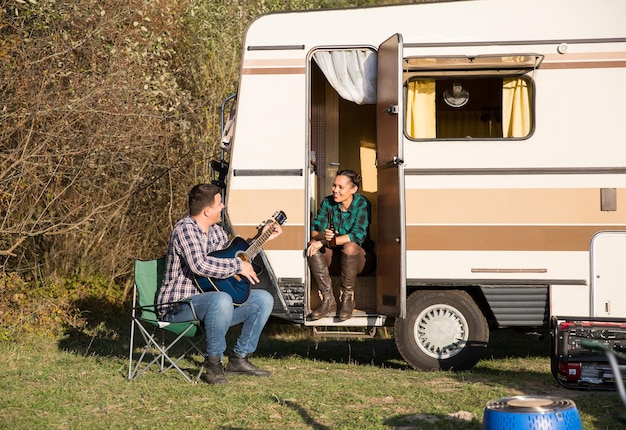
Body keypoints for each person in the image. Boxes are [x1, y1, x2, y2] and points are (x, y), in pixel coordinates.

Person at [158, 183, 282, 384]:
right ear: (207, 211)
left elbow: (230, 258)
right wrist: (237, 266)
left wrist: (262, 239)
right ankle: (213, 364)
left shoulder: (216, 232)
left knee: (263, 299)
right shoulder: (185, 229)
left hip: (213, 306)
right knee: (221, 299)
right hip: (178, 306)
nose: (223, 206)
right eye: (219, 203)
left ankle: (239, 359)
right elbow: (200, 265)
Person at [306, 169, 375, 321]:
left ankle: (347, 298)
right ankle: (327, 299)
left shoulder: (362, 203)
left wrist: (327, 241)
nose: (335, 190)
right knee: (312, 246)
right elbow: (315, 231)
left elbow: (358, 235)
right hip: (336, 257)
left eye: (340, 187)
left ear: (353, 189)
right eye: (334, 186)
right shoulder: (327, 203)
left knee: (349, 246)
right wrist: (325, 236)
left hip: (360, 259)